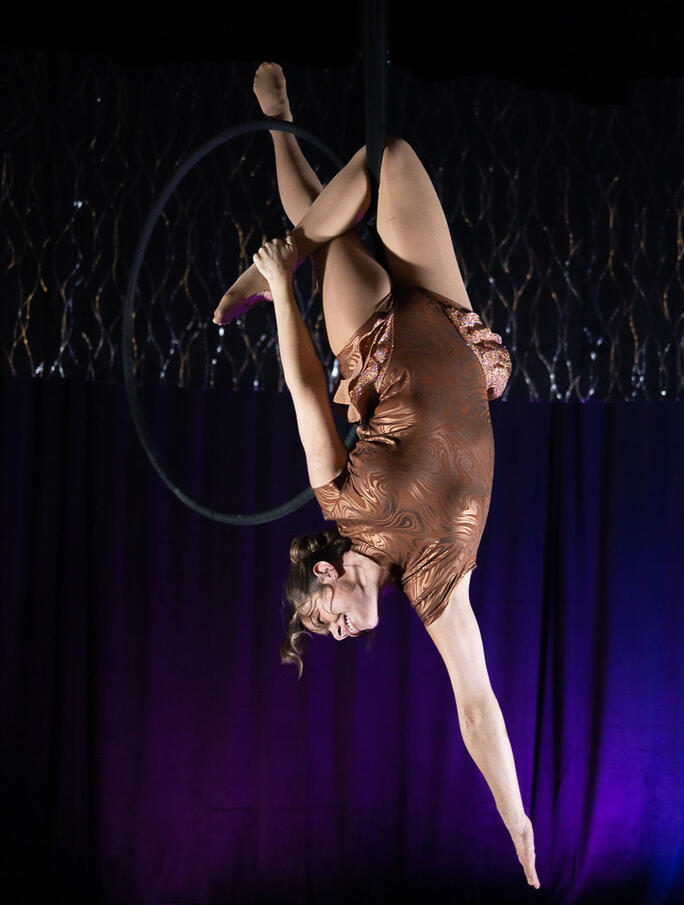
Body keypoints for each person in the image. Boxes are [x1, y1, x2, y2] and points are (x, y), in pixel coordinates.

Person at [213, 63, 540, 890]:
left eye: (318, 620)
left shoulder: (339, 495)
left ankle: (280, 235)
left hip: (377, 345)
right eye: (327, 632)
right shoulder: (436, 586)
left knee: (373, 170)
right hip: (454, 331)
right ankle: (284, 210)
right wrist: (516, 816)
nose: (336, 632)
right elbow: (477, 704)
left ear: (323, 574)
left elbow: (302, 389)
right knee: (349, 199)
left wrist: (284, 301)